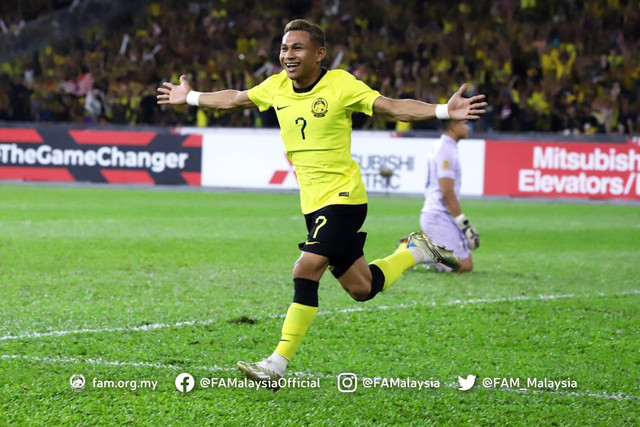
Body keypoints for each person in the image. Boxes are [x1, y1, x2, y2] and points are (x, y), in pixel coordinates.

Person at [157, 19, 487, 390]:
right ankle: (414, 251)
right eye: (284, 48)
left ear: (319, 53)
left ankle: (276, 364)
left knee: (305, 268)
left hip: (344, 199)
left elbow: (392, 107)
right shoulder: (277, 86)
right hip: (312, 205)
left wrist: (443, 111)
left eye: (297, 48)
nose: (288, 55)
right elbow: (234, 99)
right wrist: (189, 97)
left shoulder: (341, 85)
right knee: (362, 288)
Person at [398, 120, 480, 273]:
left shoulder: (444, 146)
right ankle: (415, 248)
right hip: (438, 215)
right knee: (463, 266)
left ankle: (424, 249)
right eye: (464, 123)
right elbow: (447, 192)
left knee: (466, 264)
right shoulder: (446, 150)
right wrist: (464, 224)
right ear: (454, 126)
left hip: (440, 214)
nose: (468, 127)